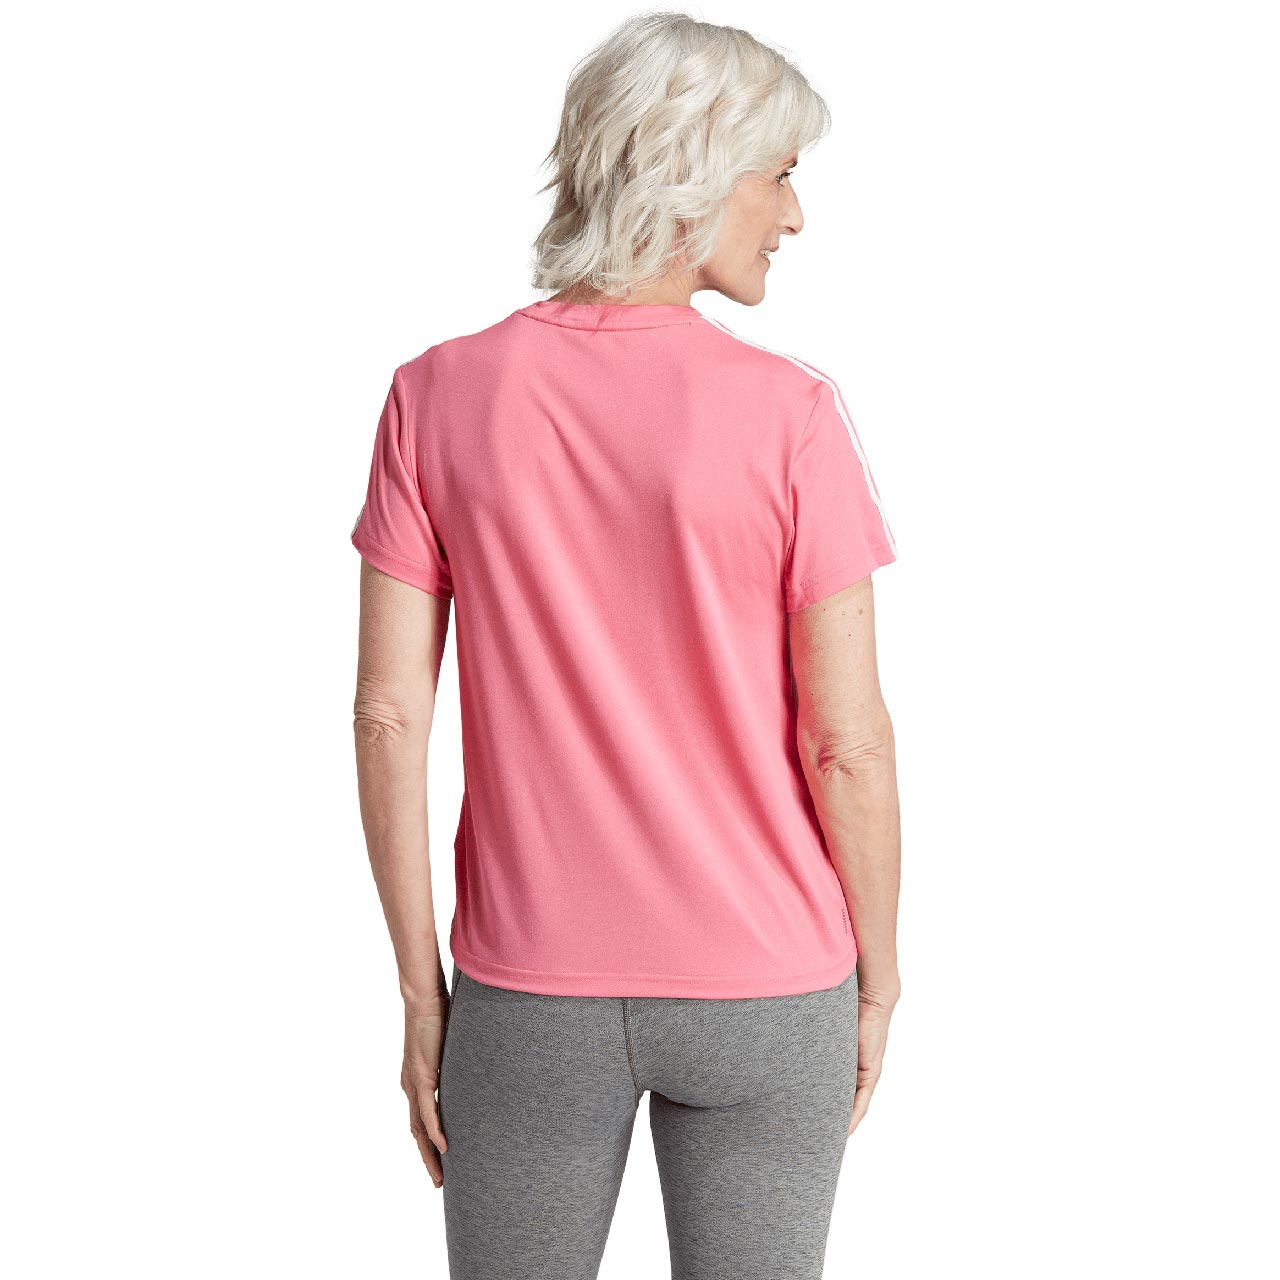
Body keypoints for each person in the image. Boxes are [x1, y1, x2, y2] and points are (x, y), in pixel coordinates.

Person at [350, 12, 902, 1278]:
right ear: (692, 172)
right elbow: (848, 744)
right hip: (769, 980)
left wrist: (422, 993)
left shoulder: (434, 394)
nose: (794, 216)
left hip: (526, 988)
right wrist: (878, 976)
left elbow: (387, 716)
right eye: (779, 174)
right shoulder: (789, 415)